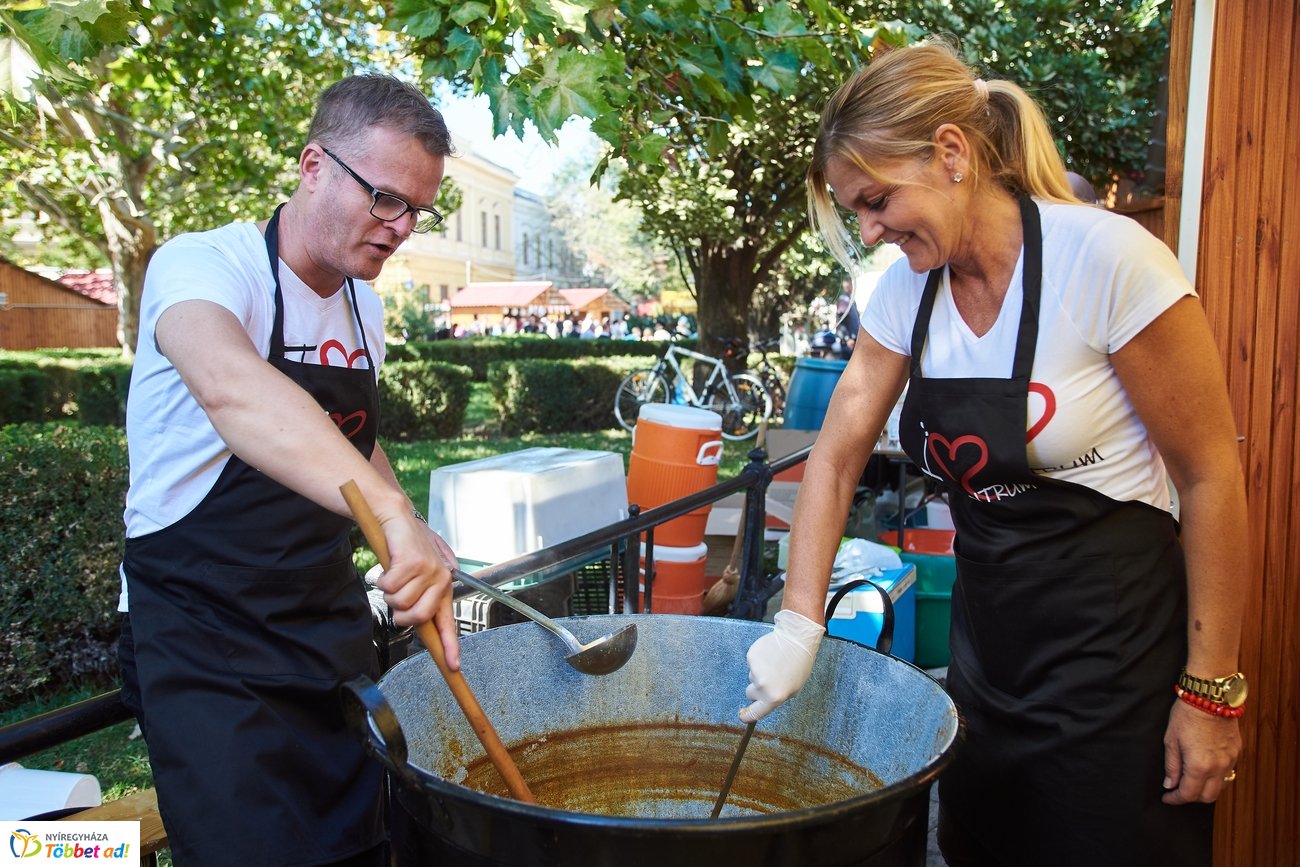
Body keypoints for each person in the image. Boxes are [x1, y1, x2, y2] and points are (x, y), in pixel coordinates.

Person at [741, 39, 1247, 867]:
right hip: (986, 674)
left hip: (1115, 675)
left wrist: (1211, 691)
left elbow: (1210, 476)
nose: (870, 231)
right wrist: (798, 623)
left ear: (950, 153)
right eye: (856, 211)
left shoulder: (1108, 261)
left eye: (876, 200)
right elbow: (833, 459)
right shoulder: (906, 292)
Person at [117, 74, 462, 867]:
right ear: (313, 165)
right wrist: (391, 511)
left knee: (361, 840)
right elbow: (235, 392)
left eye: (417, 208)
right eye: (385, 198)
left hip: (319, 623)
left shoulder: (361, 307)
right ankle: (33, 850)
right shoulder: (203, 267)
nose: (401, 226)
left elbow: (349, 436)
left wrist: (409, 525)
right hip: (204, 637)